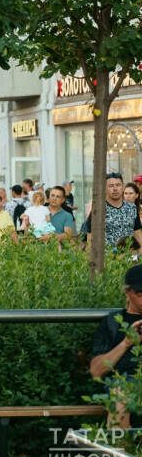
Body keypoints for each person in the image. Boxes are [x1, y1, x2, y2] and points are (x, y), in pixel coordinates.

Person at [90, 264, 142, 427]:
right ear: (127, 292)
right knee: (121, 395)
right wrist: (127, 342)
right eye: (141, 294)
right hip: (123, 383)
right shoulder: (113, 322)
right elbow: (96, 371)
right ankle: (122, 451)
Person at [82, 173, 142, 248]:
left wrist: (140, 256)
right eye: (111, 186)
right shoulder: (98, 210)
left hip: (128, 256)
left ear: (123, 187)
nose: (115, 189)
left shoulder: (132, 208)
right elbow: (90, 238)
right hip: (107, 257)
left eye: (118, 185)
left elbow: (138, 234)